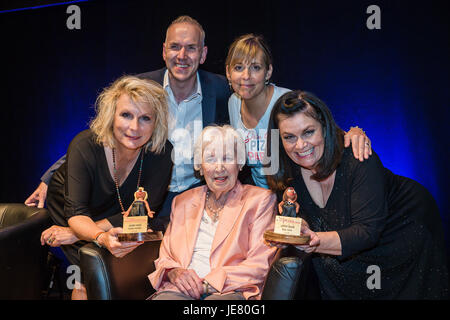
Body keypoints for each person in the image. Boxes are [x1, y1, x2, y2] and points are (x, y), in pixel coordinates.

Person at [25, 16, 230, 220]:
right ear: (164, 51)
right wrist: (49, 178)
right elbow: (102, 135)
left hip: (196, 195)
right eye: (175, 47)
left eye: (191, 48)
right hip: (147, 197)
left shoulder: (221, 90)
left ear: (203, 54)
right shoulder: (140, 86)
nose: (182, 55)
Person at [266, 90, 449, 299]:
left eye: (308, 132)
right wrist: (295, 230)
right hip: (355, 255)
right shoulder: (288, 174)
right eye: (289, 137)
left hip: (406, 231)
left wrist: (311, 241)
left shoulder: (356, 156)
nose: (300, 145)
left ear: (324, 127)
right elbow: (310, 226)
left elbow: (366, 233)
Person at [40, 75, 173, 299]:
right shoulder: (84, 145)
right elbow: (77, 214)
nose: (134, 127)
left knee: (114, 273)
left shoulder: (162, 153)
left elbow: (139, 214)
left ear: (156, 122)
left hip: (117, 216)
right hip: (73, 208)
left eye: (145, 118)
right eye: (126, 115)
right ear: (111, 114)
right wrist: (97, 236)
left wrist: (74, 235)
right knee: (84, 274)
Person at [225, 34, 372, 188]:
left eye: (255, 67)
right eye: (239, 67)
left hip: (295, 193)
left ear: (268, 72)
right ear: (228, 72)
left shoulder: (284, 101)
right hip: (259, 195)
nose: (246, 76)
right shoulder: (233, 103)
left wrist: (355, 132)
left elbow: (325, 134)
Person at [149, 125, 277, 300]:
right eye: (210, 159)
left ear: (239, 163)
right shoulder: (182, 201)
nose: (219, 168)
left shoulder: (260, 200)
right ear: (200, 167)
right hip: (180, 290)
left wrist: (207, 284)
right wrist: (174, 272)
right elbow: (166, 255)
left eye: (227, 158)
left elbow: (260, 263)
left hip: (231, 290)